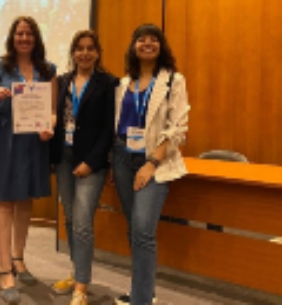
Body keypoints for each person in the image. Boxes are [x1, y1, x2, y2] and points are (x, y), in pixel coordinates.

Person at [0, 16, 57, 304]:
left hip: (33, 144)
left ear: (35, 38)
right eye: (19, 34)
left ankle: (18, 258)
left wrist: (50, 126)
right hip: (4, 143)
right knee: (3, 203)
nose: (24, 38)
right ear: (12, 37)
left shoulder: (47, 70)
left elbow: (51, 111)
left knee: (25, 201)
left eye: (29, 34)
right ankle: (4, 269)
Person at [111, 24, 190, 305]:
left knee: (143, 229)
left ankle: (141, 299)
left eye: (153, 40)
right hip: (122, 158)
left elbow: (179, 129)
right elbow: (117, 124)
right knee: (134, 228)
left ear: (161, 46)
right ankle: (143, 291)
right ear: (133, 47)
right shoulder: (123, 83)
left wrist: (152, 162)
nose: (147, 44)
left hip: (154, 162)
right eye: (141, 40)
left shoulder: (173, 81)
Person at [49, 30, 117, 305]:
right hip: (64, 158)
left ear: (97, 52)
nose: (85, 53)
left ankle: (81, 285)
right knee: (69, 219)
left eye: (90, 48)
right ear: (73, 52)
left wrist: (92, 162)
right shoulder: (62, 81)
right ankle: (76, 271)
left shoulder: (108, 83)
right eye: (80, 48)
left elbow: (108, 129)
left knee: (82, 222)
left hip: (92, 162)